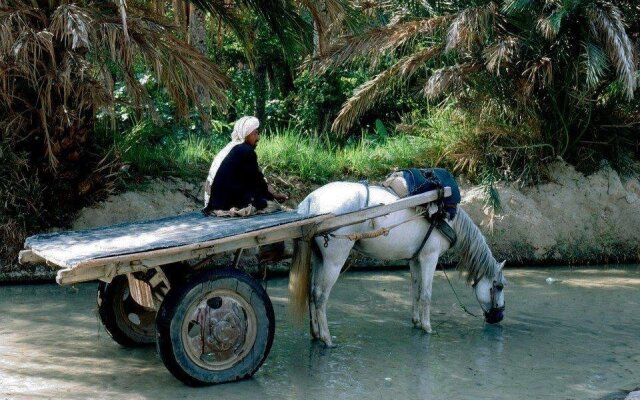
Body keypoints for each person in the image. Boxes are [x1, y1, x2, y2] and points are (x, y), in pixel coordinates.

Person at [203, 116, 287, 216]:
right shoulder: (246, 151)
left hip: (213, 203)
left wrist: (272, 194)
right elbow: (256, 183)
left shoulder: (231, 147)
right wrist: (272, 197)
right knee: (274, 207)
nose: (258, 138)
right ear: (246, 134)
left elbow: (254, 178)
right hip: (224, 205)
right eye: (255, 133)